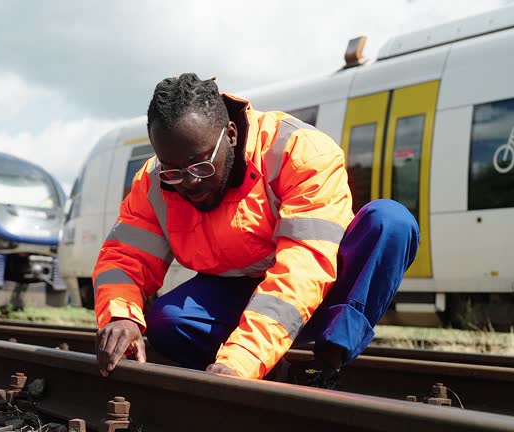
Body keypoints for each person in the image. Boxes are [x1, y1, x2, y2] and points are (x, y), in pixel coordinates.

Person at [93, 73, 419, 388]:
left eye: (200, 166)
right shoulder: (154, 181)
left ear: (231, 135)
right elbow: (124, 258)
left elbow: (304, 269)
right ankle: (277, 371)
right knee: (166, 321)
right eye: (174, 171)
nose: (189, 182)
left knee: (391, 222)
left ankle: (328, 362)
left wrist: (242, 361)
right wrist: (120, 316)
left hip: (322, 286)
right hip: (238, 293)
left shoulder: (301, 151)